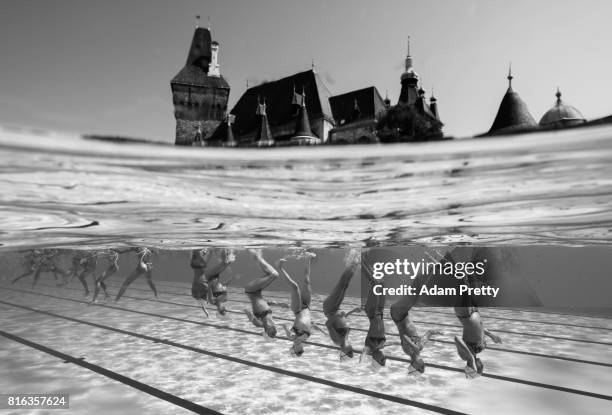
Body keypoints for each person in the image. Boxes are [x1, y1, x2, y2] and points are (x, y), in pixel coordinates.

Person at [447, 247, 503, 378]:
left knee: (462, 281)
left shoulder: (464, 355)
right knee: (472, 280)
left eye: (480, 367)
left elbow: (457, 338)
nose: (482, 364)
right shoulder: (481, 349)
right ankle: (462, 257)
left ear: (472, 366)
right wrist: (492, 335)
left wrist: (470, 358)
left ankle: (448, 261)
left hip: (464, 313)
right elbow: (479, 329)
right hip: (474, 310)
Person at [388, 270, 441, 374]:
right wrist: (436, 332)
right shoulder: (420, 346)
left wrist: (414, 347)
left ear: (413, 364)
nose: (423, 367)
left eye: (420, 368)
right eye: (423, 368)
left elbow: (404, 337)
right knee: (415, 297)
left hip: (398, 315)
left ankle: (428, 268)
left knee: (413, 297)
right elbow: (429, 332)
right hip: (403, 314)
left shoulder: (408, 351)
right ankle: (430, 270)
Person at [278, 253, 325, 356]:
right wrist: (325, 333)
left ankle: (280, 268)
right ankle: (308, 258)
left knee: (295, 287)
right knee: (307, 281)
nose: (300, 348)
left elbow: (285, 327)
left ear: (293, 348)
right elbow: (313, 325)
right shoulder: (306, 337)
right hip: (307, 306)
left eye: (298, 350)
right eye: (301, 350)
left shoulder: (292, 336)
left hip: (297, 309)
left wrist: (285, 329)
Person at [322, 250, 363, 360]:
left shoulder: (337, 340)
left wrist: (337, 315)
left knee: (342, 284)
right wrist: (353, 311)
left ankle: (353, 258)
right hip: (336, 308)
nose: (351, 351)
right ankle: (355, 260)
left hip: (330, 308)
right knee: (345, 285)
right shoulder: (346, 338)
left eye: (348, 353)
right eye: (351, 352)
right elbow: (342, 320)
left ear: (342, 352)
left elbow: (328, 324)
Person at [243, 250, 286, 338]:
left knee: (274, 275)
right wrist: (278, 304)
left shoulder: (259, 324)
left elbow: (250, 314)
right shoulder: (271, 321)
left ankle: (257, 256)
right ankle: (256, 255)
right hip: (257, 290)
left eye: (272, 333)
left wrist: (248, 314)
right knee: (270, 274)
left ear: (266, 332)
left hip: (251, 291)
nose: (275, 332)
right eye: (275, 333)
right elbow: (266, 304)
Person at [360, 257, 388, 368]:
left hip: (372, 311)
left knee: (375, 283)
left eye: (382, 359)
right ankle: (364, 258)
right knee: (381, 283)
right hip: (380, 311)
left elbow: (363, 353)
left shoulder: (369, 348)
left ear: (375, 360)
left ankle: (360, 261)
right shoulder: (381, 346)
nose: (384, 356)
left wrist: (360, 363)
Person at [204, 249, 236, 316]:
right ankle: (222, 249)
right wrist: (232, 278)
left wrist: (211, 282)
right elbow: (224, 286)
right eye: (224, 309)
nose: (222, 308)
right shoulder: (225, 299)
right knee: (228, 262)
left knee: (225, 262)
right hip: (216, 276)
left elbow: (209, 286)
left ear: (218, 310)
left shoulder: (212, 301)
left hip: (210, 276)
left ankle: (222, 248)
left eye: (221, 310)